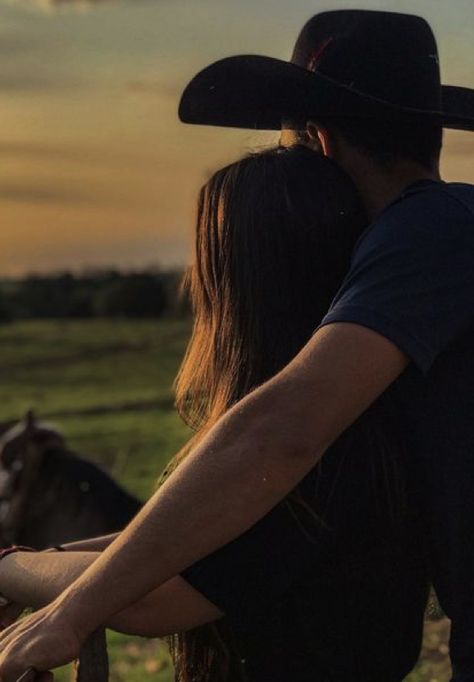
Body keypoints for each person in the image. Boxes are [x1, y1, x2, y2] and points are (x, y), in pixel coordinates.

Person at [0, 9, 474, 682]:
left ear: (318, 138)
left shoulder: (433, 228)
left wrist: (70, 611)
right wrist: (40, 563)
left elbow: (280, 431)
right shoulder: (426, 277)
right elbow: (198, 537)